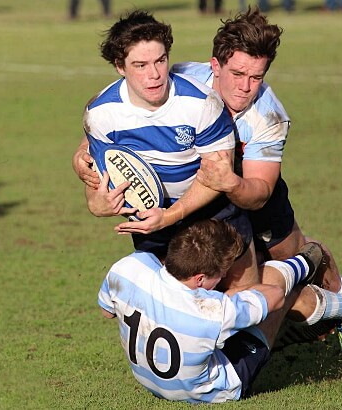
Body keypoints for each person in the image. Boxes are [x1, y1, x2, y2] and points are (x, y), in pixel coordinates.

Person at [170, 7, 342, 360]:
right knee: (256, 281)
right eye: (237, 73)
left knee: (299, 258)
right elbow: (130, 111)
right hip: (208, 197)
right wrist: (85, 150)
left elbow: (259, 192)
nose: (246, 87)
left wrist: (231, 182)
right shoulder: (182, 80)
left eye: (256, 77)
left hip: (252, 190)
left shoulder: (269, 116)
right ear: (214, 66)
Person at [98, 219, 342, 402]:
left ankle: (305, 327)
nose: (223, 279)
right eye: (220, 273)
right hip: (218, 388)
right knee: (278, 285)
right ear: (199, 278)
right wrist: (303, 262)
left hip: (152, 383)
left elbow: (108, 312)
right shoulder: (211, 311)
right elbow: (274, 296)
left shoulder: (127, 268)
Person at [73, 10, 259, 293]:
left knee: (244, 297)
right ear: (119, 67)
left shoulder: (201, 103)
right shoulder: (101, 114)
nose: (154, 74)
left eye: (160, 60)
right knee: (171, 301)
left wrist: (170, 215)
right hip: (151, 217)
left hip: (212, 207)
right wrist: (97, 204)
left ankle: (298, 280)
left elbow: (217, 176)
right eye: (140, 65)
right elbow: (98, 174)